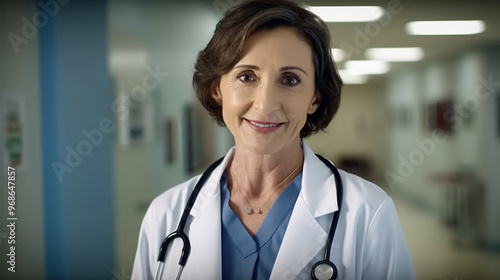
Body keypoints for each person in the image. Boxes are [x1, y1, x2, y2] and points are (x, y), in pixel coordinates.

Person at [132, 0, 416, 279]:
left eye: (290, 80)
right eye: (246, 77)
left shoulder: (368, 212)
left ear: (314, 98)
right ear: (217, 88)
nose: (266, 105)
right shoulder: (166, 213)